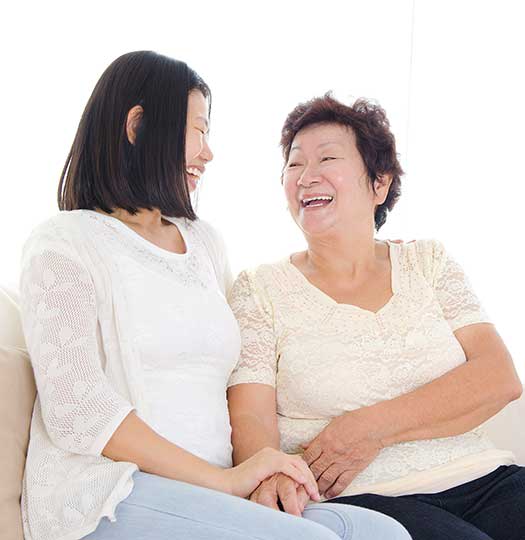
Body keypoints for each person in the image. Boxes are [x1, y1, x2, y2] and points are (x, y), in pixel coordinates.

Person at [19, 53, 412, 540]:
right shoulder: (64, 242)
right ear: (138, 126)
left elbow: (245, 364)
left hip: (211, 494)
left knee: (381, 533)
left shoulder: (204, 243)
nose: (208, 152)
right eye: (199, 130)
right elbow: (77, 410)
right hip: (109, 494)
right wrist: (222, 482)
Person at [227, 93, 524, 540]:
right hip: (362, 499)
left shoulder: (429, 263)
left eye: (327, 157)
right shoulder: (260, 289)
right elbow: (250, 417)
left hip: (482, 475)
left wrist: (368, 428)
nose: (307, 176)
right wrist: (268, 476)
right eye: (294, 164)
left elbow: (499, 378)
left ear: (379, 184)